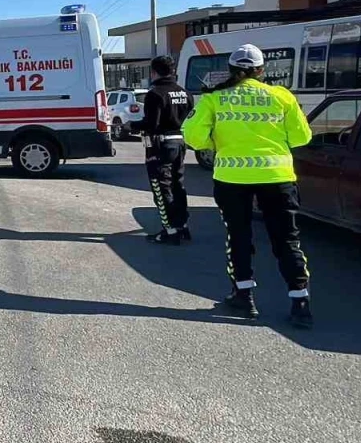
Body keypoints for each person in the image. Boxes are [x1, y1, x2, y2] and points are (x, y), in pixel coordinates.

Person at [183, 44, 314, 328]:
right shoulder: (282, 96)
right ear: (261, 70)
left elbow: (193, 136)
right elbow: (302, 137)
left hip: (232, 178)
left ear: (230, 70)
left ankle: (244, 295)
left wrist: (215, 143)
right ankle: (300, 302)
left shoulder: (214, 98)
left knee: (239, 236)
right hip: (277, 177)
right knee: (286, 239)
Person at [132, 55, 193, 244]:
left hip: (160, 146)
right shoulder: (185, 93)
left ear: (154, 72)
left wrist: (131, 126)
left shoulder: (155, 94)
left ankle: (170, 230)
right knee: (178, 185)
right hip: (179, 142)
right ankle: (182, 225)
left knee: (161, 188)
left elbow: (152, 124)